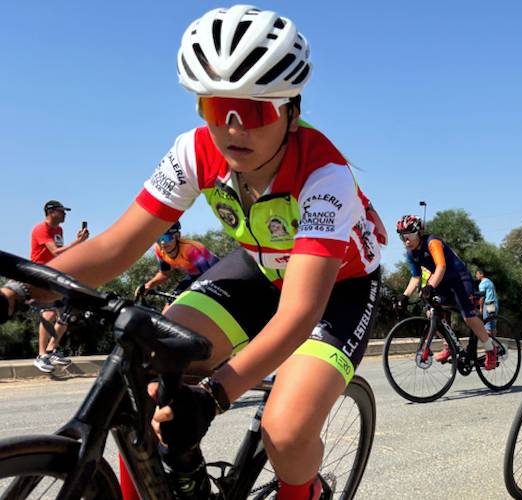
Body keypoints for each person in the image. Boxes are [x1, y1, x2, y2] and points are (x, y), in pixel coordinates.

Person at [2, 6, 383, 499]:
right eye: (213, 108)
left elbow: (299, 311)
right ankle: (172, 475)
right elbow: (114, 247)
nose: (231, 129)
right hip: (260, 268)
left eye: (252, 111)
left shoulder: (324, 176)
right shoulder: (194, 151)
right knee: (151, 363)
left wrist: (216, 394)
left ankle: (301, 492)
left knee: (285, 430)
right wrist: (15, 292)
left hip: (336, 289)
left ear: (291, 110)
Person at [396, 215, 500, 370]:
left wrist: (429, 286)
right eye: (402, 237)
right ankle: (449, 346)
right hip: (441, 282)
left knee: (468, 317)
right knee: (433, 314)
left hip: (459, 278)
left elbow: (441, 266)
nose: (406, 241)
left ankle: (491, 349)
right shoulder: (412, 254)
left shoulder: (433, 242)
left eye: (409, 236)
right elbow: (416, 276)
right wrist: (404, 296)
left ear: (419, 233)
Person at [30, 200, 89, 372]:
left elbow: (60, 254)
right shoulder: (41, 229)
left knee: (67, 313)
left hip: (56, 275)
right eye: (62, 211)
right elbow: (55, 251)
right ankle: (41, 356)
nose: (65, 214)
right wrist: (77, 242)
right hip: (41, 275)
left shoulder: (59, 230)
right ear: (51, 212)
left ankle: (51, 349)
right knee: (48, 314)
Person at [135, 222, 220, 313]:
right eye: (159, 239)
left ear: (177, 236)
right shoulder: (159, 250)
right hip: (194, 276)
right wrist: (148, 285)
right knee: (168, 307)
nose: (163, 242)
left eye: (167, 238)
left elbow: (209, 275)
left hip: (215, 273)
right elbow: (164, 274)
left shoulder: (189, 250)